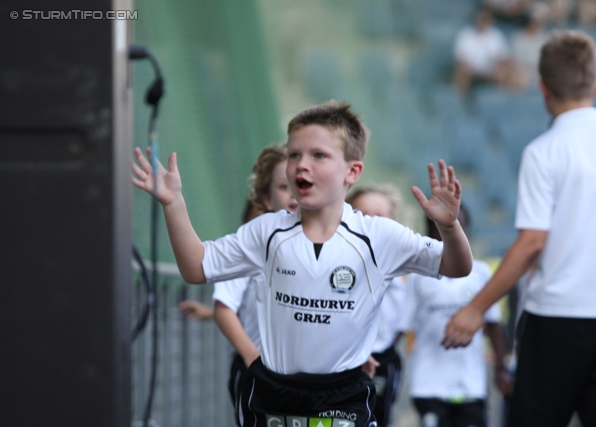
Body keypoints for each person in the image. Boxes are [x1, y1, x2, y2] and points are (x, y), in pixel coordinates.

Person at [132, 100, 473, 427]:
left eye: (318, 155)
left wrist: (448, 226)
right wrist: (174, 203)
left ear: (352, 171)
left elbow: (457, 266)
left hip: (344, 399)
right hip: (273, 394)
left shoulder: (379, 236)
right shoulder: (266, 232)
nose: (301, 165)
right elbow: (196, 268)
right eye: (295, 154)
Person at [443, 30, 596, 427]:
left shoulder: (544, 151)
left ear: (543, 89)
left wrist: (475, 308)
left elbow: (533, 241)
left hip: (559, 317)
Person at [178, 143, 297, 427]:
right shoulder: (253, 244)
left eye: (302, 183)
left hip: (314, 383)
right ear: (266, 200)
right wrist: (253, 359)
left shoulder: (337, 247)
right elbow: (225, 306)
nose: (295, 193)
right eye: (284, 186)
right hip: (261, 373)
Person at [404, 205, 511, 427]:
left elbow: (493, 324)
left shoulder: (481, 273)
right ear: (431, 231)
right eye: (445, 228)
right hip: (428, 384)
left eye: (460, 227)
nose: (454, 234)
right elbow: (402, 325)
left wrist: (501, 368)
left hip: (470, 384)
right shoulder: (417, 276)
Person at [346, 182, 407, 427]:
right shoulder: (336, 260)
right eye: (363, 214)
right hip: (341, 359)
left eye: (380, 216)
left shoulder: (404, 265)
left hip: (382, 360)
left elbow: (403, 317)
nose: (371, 222)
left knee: (378, 419)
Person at [452, 9, 520, 93]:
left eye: (486, 19)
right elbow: (460, 59)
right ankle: (461, 102)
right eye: (482, 19)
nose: (483, 22)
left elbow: (503, 57)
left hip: (492, 70)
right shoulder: (466, 34)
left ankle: (499, 100)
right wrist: (476, 70)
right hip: (472, 70)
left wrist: (498, 65)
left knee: (511, 70)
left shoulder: (496, 34)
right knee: (460, 71)